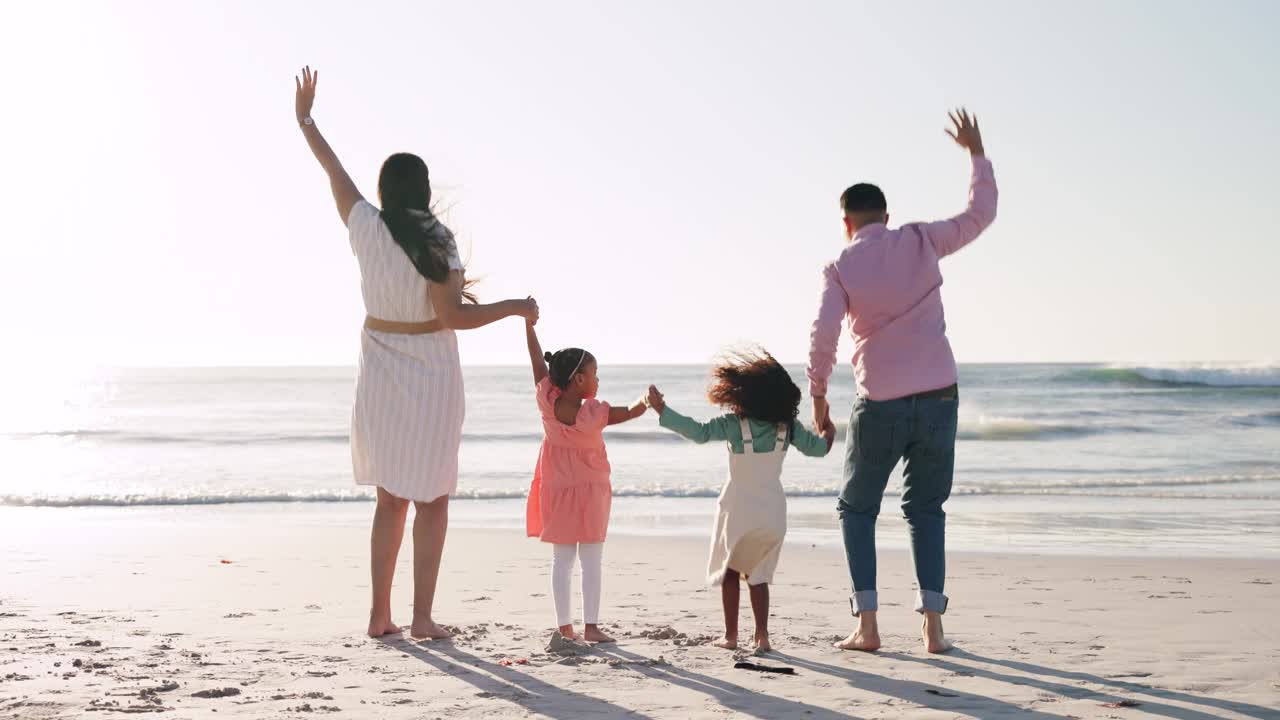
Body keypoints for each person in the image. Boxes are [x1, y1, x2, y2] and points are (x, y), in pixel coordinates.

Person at [294, 66, 539, 639]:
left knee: (390, 502)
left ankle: (380, 617)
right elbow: (453, 317)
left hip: (380, 368)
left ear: (384, 191)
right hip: (430, 372)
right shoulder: (437, 240)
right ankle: (421, 617)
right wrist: (509, 308)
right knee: (432, 499)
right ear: (424, 191)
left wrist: (306, 119)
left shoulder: (364, 224)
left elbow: (333, 169)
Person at [808, 109, 998, 654]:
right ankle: (933, 629)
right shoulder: (920, 241)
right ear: (886, 216)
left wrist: (819, 397)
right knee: (925, 509)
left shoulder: (840, 268)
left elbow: (823, 337)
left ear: (846, 223)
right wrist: (976, 152)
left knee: (856, 509)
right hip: (940, 396)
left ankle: (867, 627)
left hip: (882, 403)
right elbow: (979, 214)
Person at [647, 350, 834, 652]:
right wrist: (828, 430)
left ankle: (731, 635)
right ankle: (762, 635)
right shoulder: (786, 428)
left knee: (731, 572)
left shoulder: (735, 425)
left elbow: (699, 432)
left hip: (739, 510)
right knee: (758, 574)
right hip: (772, 512)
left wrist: (662, 410)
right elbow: (818, 449)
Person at [523, 321, 648, 643]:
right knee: (592, 559)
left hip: (556, 489)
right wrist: (648, 400)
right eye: (594, 373)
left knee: (562, 560)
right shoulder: (594, 412)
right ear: (579, 380)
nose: (597, 379)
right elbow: (631, 412)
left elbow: (537, 362)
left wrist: (529, 326)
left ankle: (565, 627)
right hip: (592, 490)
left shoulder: (546, 400)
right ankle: (591, 627)